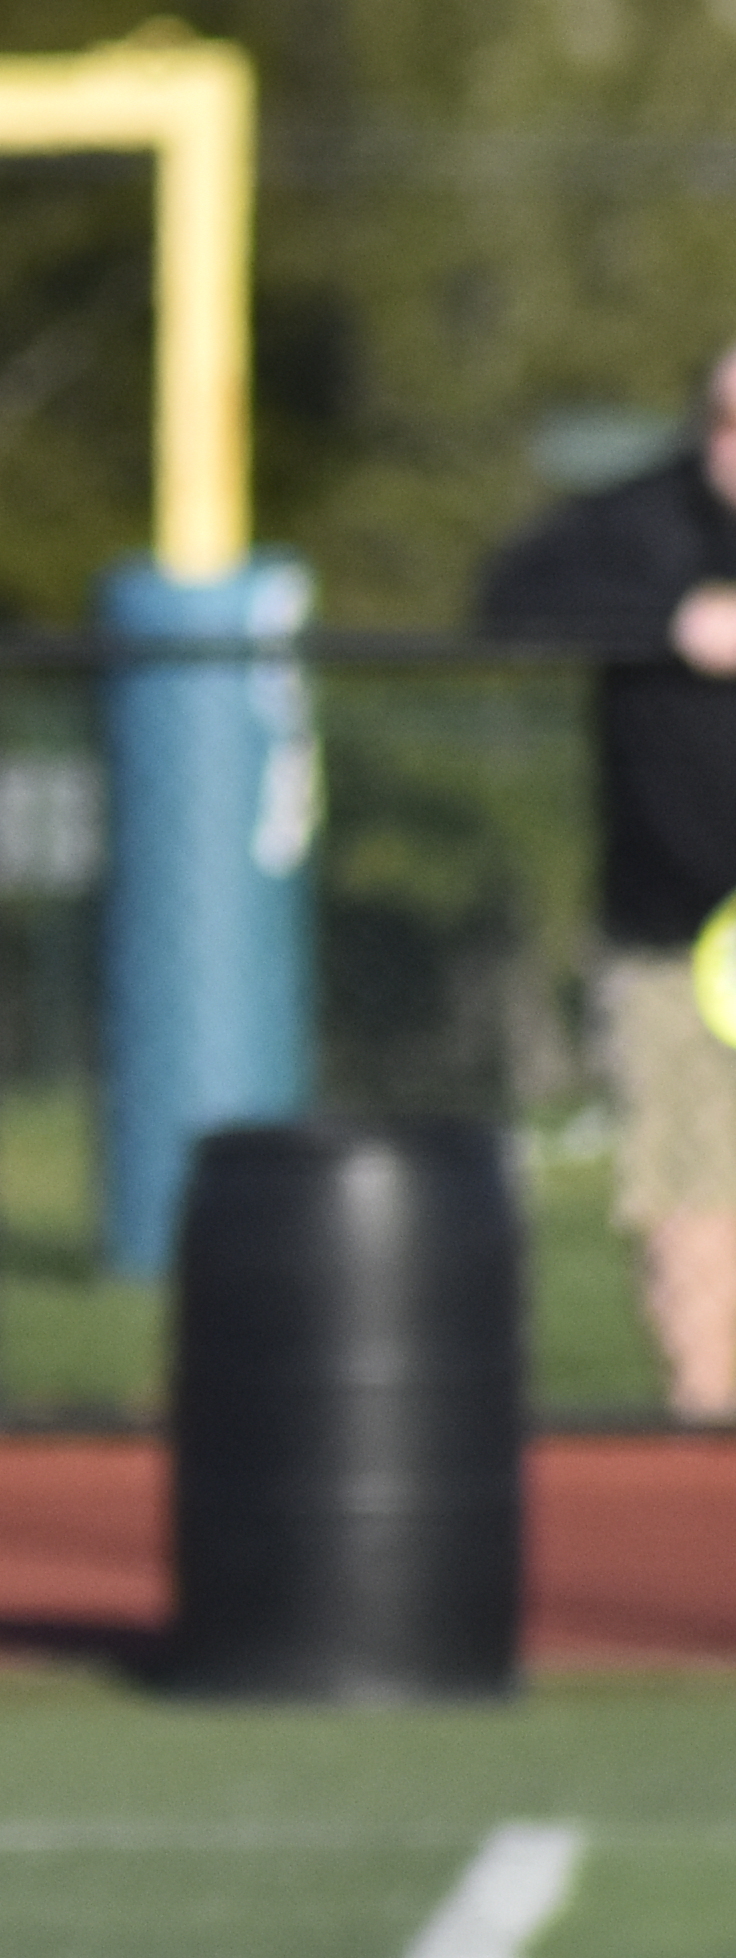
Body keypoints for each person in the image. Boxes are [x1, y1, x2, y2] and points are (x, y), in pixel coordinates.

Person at [478, 343, 736, 1424]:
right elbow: (508, 600)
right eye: (726, 419)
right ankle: (708, 1412)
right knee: (688, 1185)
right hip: (673, 929)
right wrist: (672, 626)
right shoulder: (642, 524)